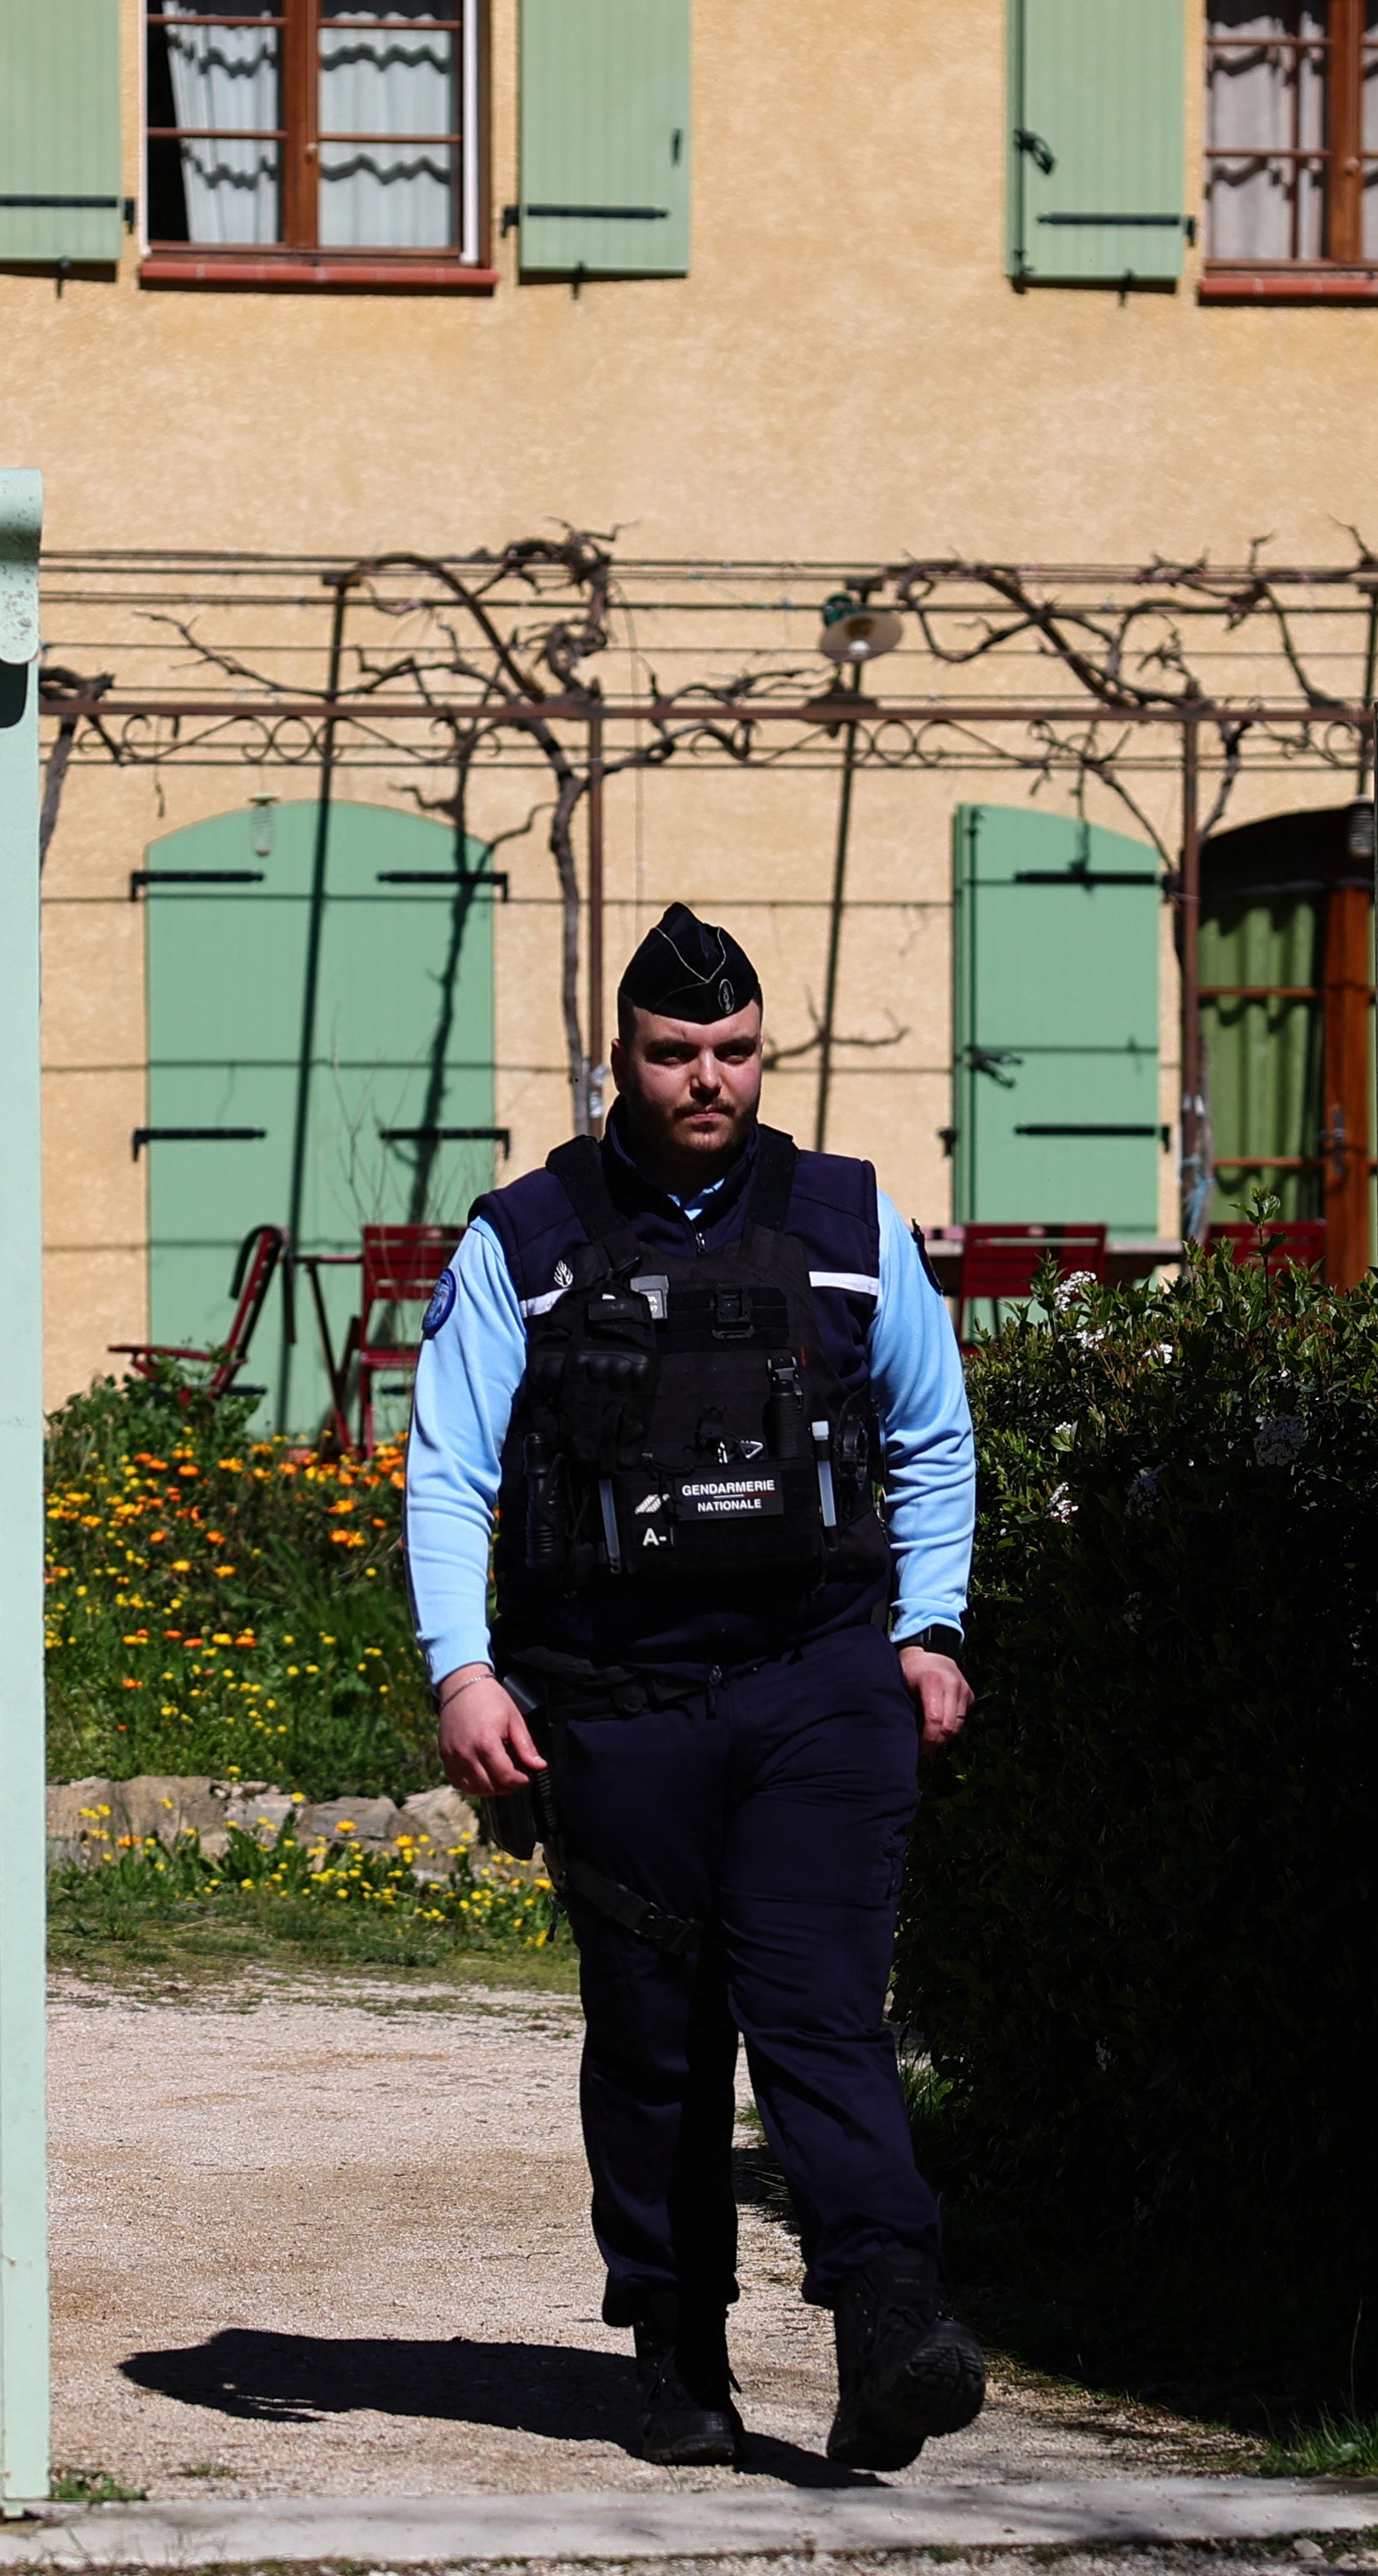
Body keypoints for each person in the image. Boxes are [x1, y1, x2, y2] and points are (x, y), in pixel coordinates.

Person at [401, 903, 991, 2476]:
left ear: (761, 1054)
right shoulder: (524, 1241)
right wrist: (462, 1671)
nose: (706, 1078)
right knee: (657, 2034)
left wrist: (926, 1631)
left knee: (817, 2009)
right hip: (614, 1698)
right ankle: (678, 2350)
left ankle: (888, 2322)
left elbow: (932, 1439)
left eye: (732, 1050)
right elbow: (449, 1474)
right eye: (673, 1052)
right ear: (619, 1059)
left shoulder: (854, 1225)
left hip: (816, 1681)